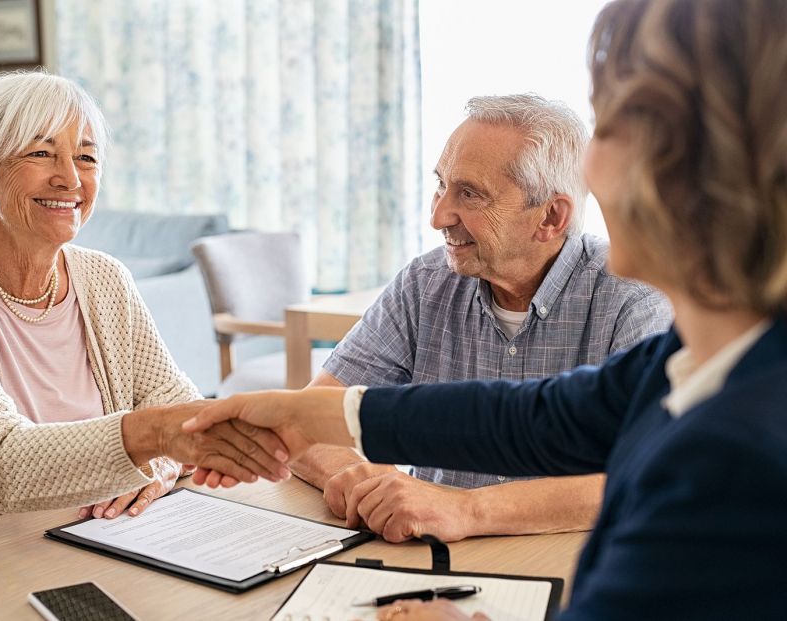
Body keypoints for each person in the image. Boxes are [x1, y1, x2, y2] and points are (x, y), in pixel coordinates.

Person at [182, 0, 787, 618]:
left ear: (691, 169)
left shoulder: (735, 455)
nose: (591, 171)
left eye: (609, 126)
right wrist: (305, 413)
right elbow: (532, 419)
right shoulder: (697, 359)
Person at [0, 72, 289, 555]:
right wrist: (151, 439)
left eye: (86, 157)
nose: (70, 178)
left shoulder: (106, 279)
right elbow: (1, 465)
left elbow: (180, 412)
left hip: (90, 540)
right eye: (41, 153)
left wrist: (155, 464)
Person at [294, 94, 672, 542]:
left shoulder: (633, 297)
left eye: (470, 194)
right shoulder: (424, 282)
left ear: (551, 216)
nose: (438, 217)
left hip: (565, 564)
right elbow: (310, 417)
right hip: (427, 557)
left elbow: (650, 470)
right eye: (441, 185)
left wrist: (467, 510)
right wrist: (362, 478)